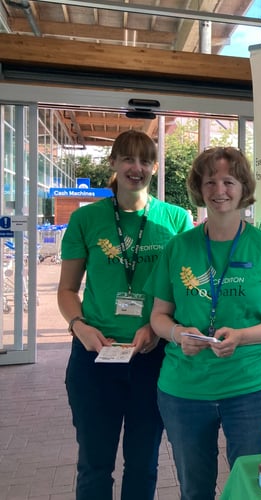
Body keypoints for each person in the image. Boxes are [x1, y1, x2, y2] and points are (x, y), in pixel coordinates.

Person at [145, 147, 261, 499]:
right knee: (194, 489)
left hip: (250, 389)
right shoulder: (178, 247)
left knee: (256, 489)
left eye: (229, 181)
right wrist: (176, 334)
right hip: (184, 390)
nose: (219, 190)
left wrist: (243, 336)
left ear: (244, 188)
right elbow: (158, 315)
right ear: (198, 189)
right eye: (210, 181)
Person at [58, 130, 194, 499]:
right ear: (114, 163)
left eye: (145, 160)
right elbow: (67, 290)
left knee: (143, 462)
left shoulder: (176, 219)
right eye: (128, 159)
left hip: (153, 358)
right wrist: (79, 326)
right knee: (94, 464)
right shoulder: (87, 219)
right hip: (94, 355)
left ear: (155, 166)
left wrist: (157, 328)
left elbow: (185, 291)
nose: (137, 168)